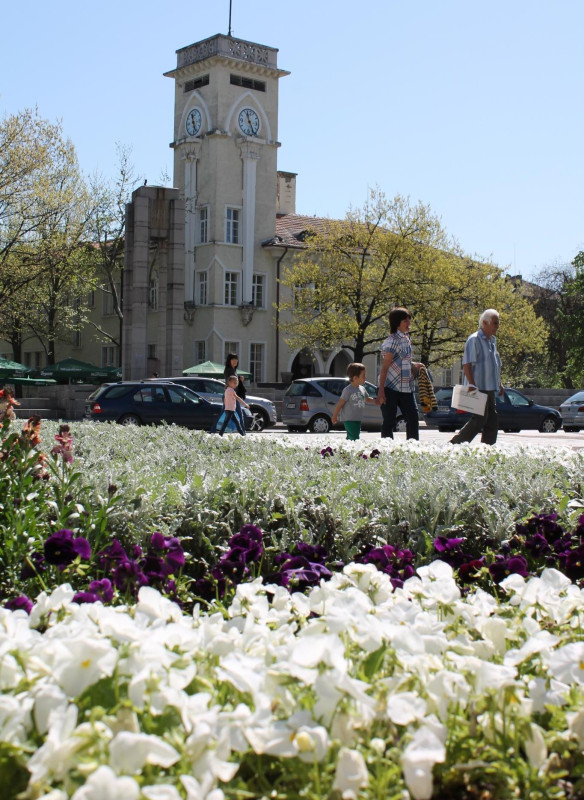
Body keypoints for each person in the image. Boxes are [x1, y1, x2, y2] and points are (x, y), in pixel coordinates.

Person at [450, 308, 503, 446]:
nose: (497, 327)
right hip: (478, 386)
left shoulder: (492, 341)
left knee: (492, 419)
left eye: (498, 323)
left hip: (490, 386)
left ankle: (487, 448)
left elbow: (494, 364)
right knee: (479, 419)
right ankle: (456, 444)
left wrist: (499, 383)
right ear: (485, 322)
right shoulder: (474, 339)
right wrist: (472, 384)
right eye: (495, 323)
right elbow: (466, 364)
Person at [377, 307, 423, 439]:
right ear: (397, 322)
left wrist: (414, 365)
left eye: (409, 320)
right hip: (390, 387)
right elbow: (385, 367)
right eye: (405, 320)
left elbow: (402, 361)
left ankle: (412, 450)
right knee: (389, 421)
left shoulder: (406, 339)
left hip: (406, 387)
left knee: (413, 418)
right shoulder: (392, 341)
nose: (408, 323)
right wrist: (381, 391)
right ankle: (386, 449)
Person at [332, 362, 377, 440]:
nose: (365, 377)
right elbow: (340, 404)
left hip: (357, 418)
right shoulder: (348, 390)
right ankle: (350, 450)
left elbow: (367, 399)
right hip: (349, 419)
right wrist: (335, 416)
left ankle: (344, 450)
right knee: (354, 437)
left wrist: (377, 401)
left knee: (353, 436)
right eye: (363, 376)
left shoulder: (362, 388)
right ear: (355, 378)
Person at [224, 352, 246, 429]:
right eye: (233, 359)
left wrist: (239, 378)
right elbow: (231, 381)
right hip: (231, 395)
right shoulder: (229, 370)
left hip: (231, 395)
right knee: (239, 414)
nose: (235, 361)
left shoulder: (233, 370)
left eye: (236, 359)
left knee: (230, 415)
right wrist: (239, 380)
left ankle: (242, 431)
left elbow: (233, 380)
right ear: (229, 360)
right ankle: (242, 431)